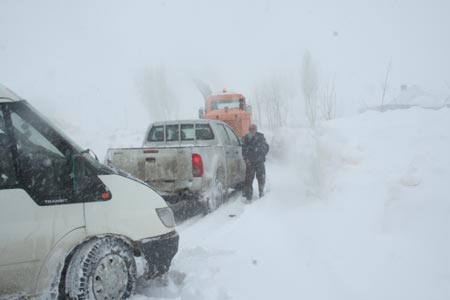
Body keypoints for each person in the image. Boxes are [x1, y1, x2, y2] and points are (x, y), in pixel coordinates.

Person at [242, 124, 269, 200]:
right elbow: (243, 150)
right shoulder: (246, 138)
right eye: (250, 129)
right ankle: (249, 197)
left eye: (253, 129)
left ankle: (261, 192)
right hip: (250, 163)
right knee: (249, 180)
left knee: (261, 178)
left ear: (256, 129)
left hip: (259, 162)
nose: (251, 130)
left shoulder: (261, 137)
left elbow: (266, 147)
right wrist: (246, 159)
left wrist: (262, 154)